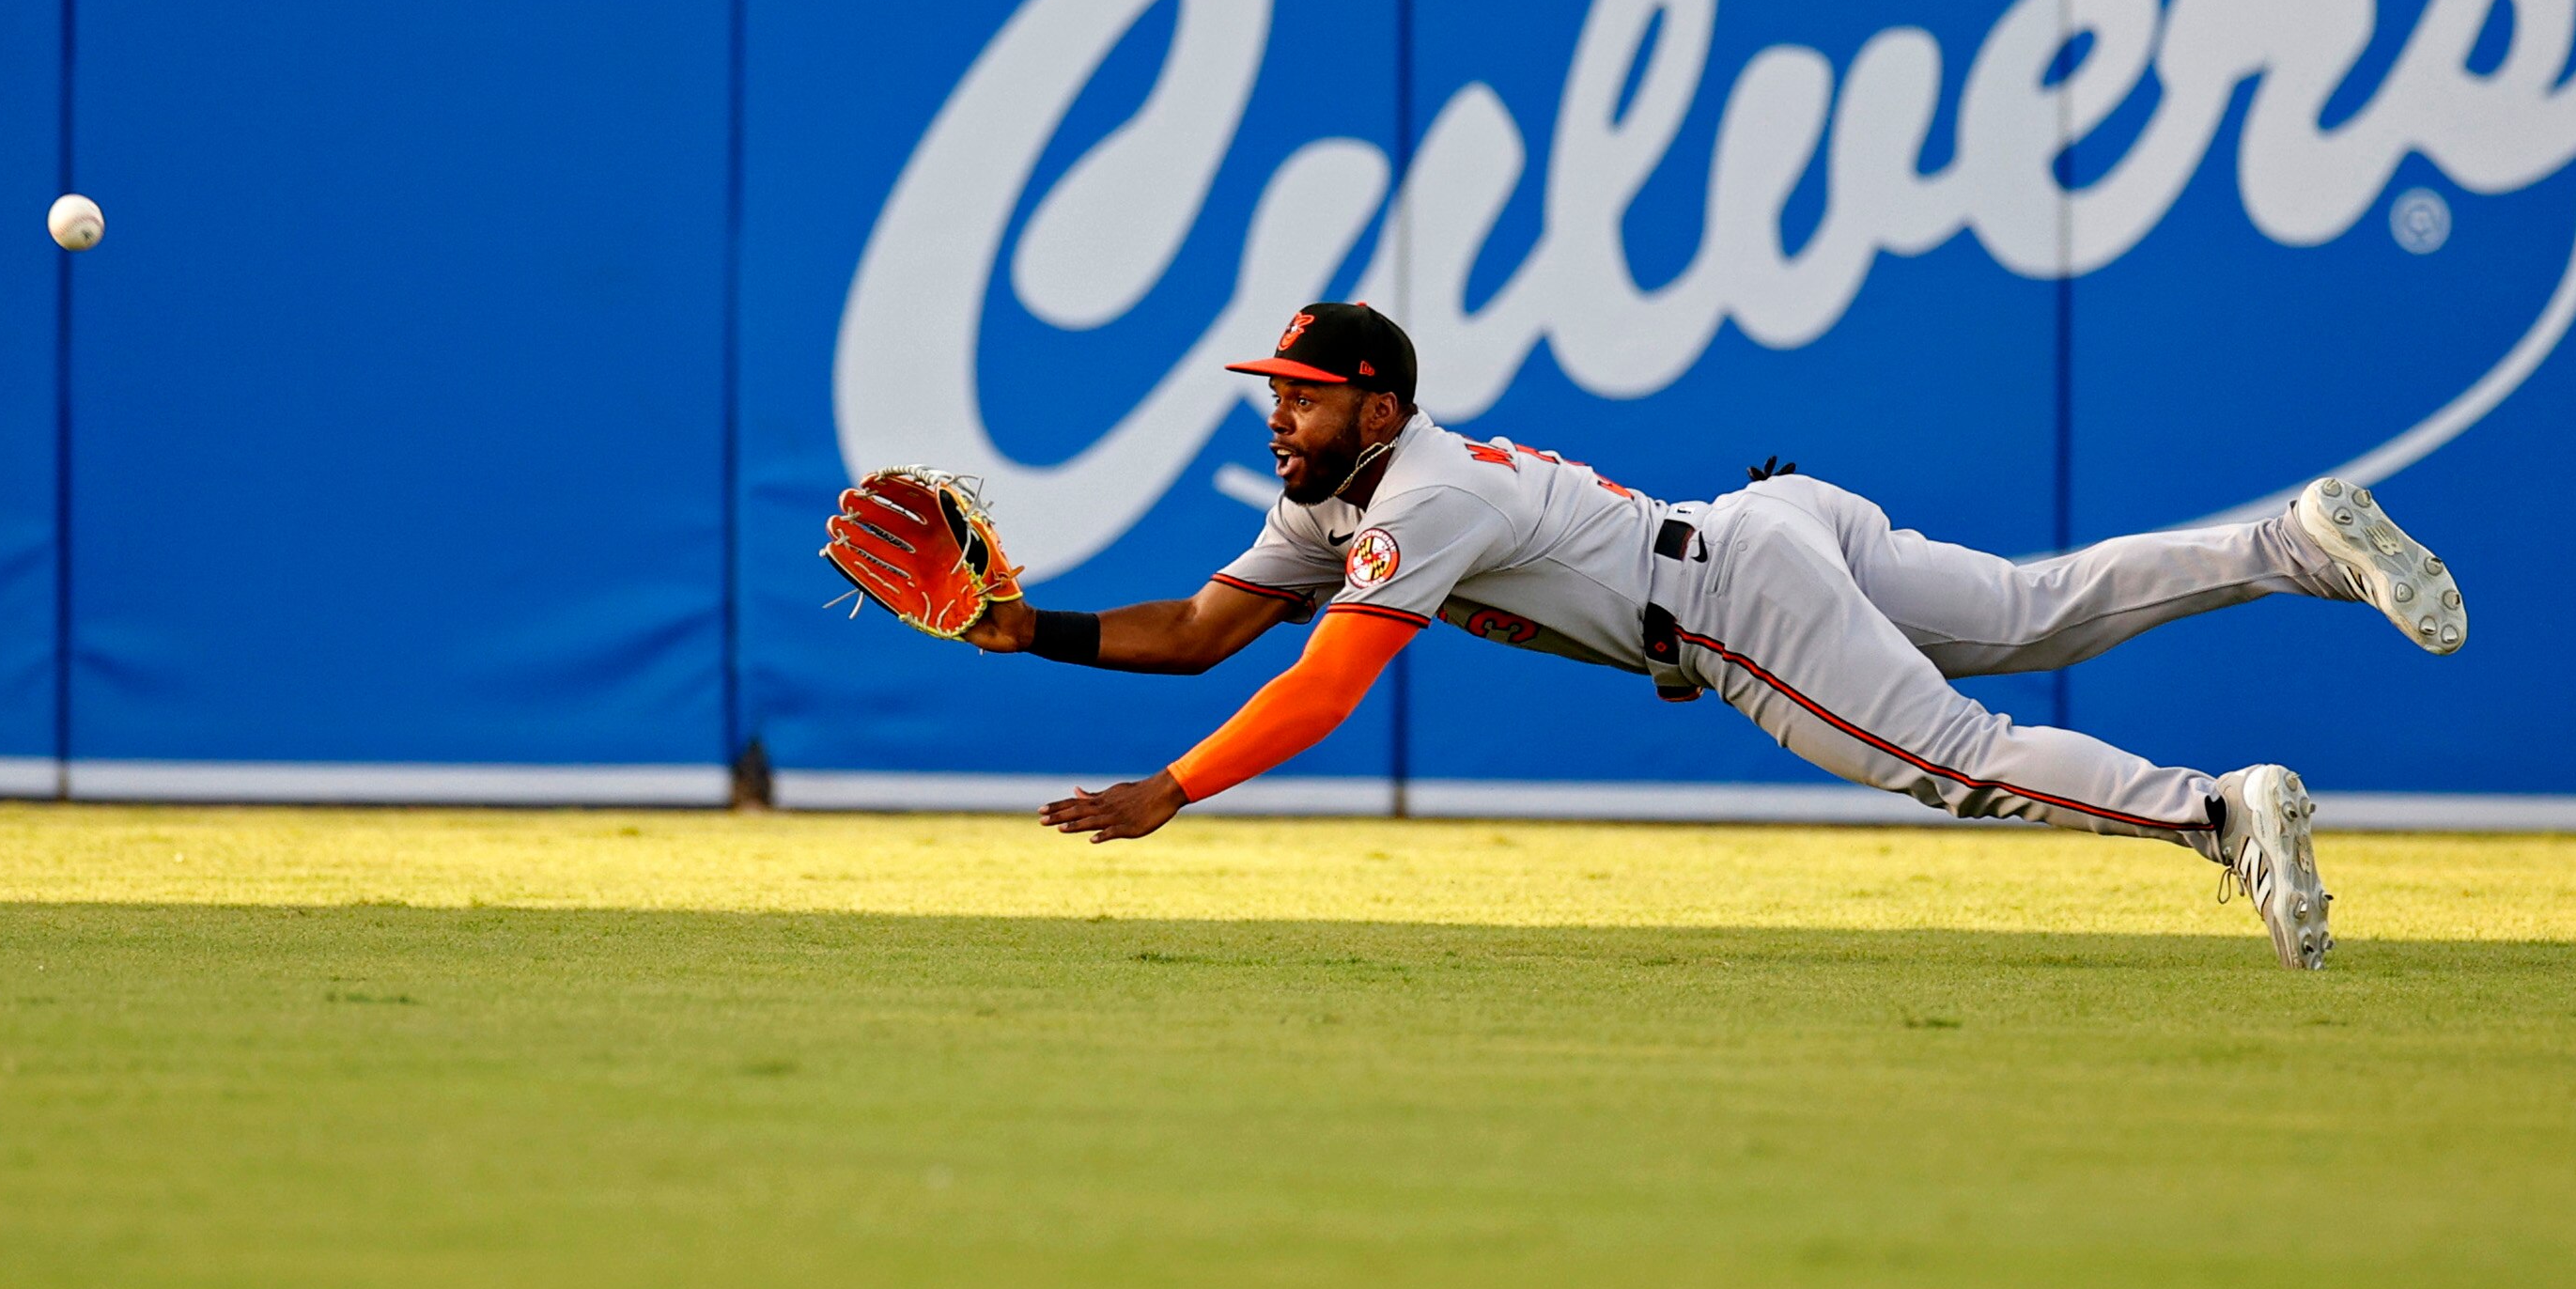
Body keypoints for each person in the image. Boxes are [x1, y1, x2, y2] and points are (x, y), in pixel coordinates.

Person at [849, 302, 2468, 971]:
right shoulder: (1335, 498)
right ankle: (2287, 542)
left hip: (1726, 599)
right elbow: (1205, 631)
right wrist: (1019, 629)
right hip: (1766, 528)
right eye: (1273, 397)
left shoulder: (1418, 494)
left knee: (1958, 761)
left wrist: (1171, 794)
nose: (1280, 417)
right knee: (2035, 610)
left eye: (1304, 394)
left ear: (1380, 402)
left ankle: (2218, 810)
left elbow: (1322, 686)